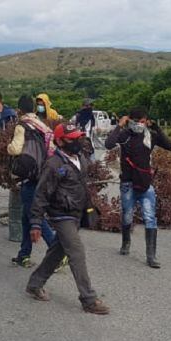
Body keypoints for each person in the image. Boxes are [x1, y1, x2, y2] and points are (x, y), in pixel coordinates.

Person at [25, 123, 110, 315]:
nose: (78, 141)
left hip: (77, 213)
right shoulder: (53, 165)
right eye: (73, 139)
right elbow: (41, 195)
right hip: (62, 215)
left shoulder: (80, 158)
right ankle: (88, 299)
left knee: (58, 252)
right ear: (61, 141)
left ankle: (34, 284)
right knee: (76, 252)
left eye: (79, 137)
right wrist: (36, 223)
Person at [105, 108, 171, 268]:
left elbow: (170, 147)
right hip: (128, 184)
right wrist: (119, 125)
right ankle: (126, 242)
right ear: (129, 120)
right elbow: (108, 144)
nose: (139, 124)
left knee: (150, 217)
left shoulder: (151, 136)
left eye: (142, 121)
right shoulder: (124, 136)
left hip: (145, 184)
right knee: (127, 216)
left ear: (146, 121)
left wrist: (156, 127)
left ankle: (151, 256)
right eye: (135, 121)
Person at [8, 95, 57, 267]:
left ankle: (57, 251)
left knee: (33, 215)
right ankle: (24, 254)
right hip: (43, 173)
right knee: (24, 217)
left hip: (29, 176)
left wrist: (8, 147)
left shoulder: (22, 126)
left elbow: (15, 149)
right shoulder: (42, 125)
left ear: (19, 109)